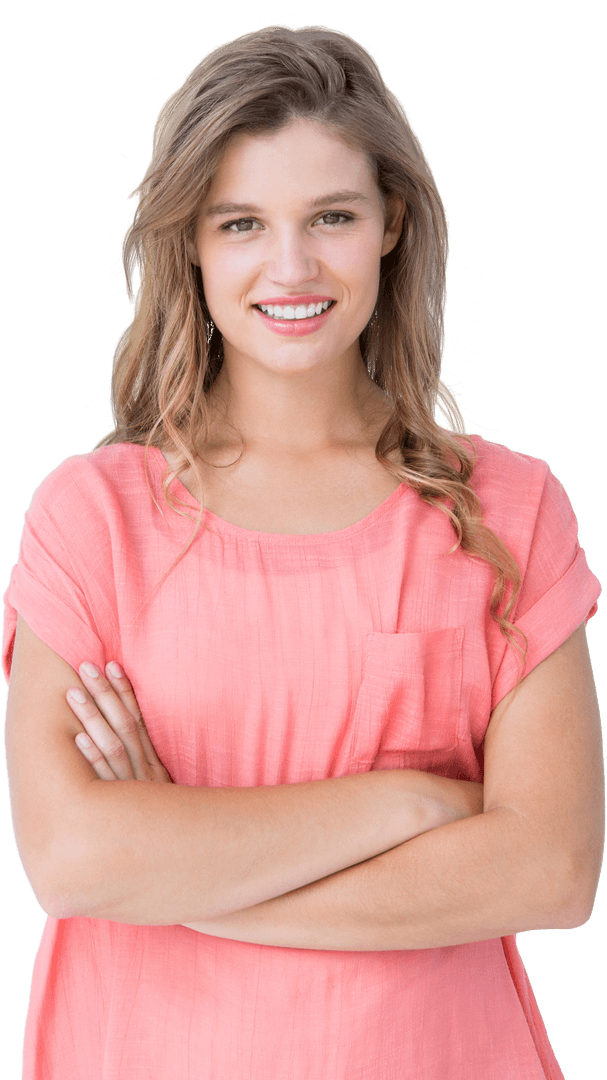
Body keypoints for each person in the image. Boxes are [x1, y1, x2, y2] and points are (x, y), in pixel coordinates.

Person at [2, 22, 603, 1080]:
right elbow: (75, 859)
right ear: (190, 241)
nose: (291, 267)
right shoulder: (89, 518)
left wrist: (185, 861)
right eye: (241, 223)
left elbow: (551, 868)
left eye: (330, 215)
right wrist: (412, 802)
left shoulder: (509, 509)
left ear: (390, 225)